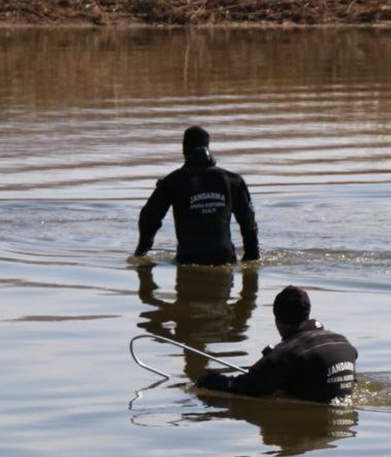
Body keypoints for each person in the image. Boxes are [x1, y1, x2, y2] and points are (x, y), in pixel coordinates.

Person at [196, 286, 357, 403]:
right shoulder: (343, 341)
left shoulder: (287, 352)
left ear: (277, 319)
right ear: (307, 313)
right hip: (346, 420)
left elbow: (247, 387)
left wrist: (209, 381)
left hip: (320, 413)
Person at [135, 126, 258, 266]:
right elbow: (249, 223)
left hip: (188, 260)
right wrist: (251, 257)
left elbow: (148, 218)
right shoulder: (233, 181)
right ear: (208, 147)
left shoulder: (172, 181)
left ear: (184, 150)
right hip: (225, 260)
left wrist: (142, 251)